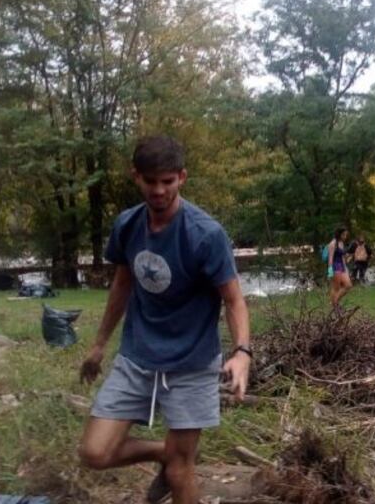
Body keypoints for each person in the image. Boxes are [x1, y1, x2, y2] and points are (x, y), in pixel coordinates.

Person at [77, 135, 252, 504]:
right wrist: (98, 345)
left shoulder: (205, 234)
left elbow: (234, 299)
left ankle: (173, 459)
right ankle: (163, 451)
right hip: (138, 356)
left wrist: (242, 353)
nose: (158, 190)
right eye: (150, 181)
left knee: (179, 471)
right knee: (94, 453)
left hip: (192, 363)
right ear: (136, 177)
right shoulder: (127, 225)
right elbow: (122, 285)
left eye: (168, 181)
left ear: (182, 177)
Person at [327, 227, 353, 308]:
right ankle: (335, 306)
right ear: (339, 234)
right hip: (335, 267)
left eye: (346, 235)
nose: (345, 236)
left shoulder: (341, 243)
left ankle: (335, 302)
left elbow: (342, 257)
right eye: (343, 235)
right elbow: (330, 259)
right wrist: (330, 272)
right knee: (336, 288)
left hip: (342, 266)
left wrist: (346, 269)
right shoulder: (333, 244)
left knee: (348, 285)